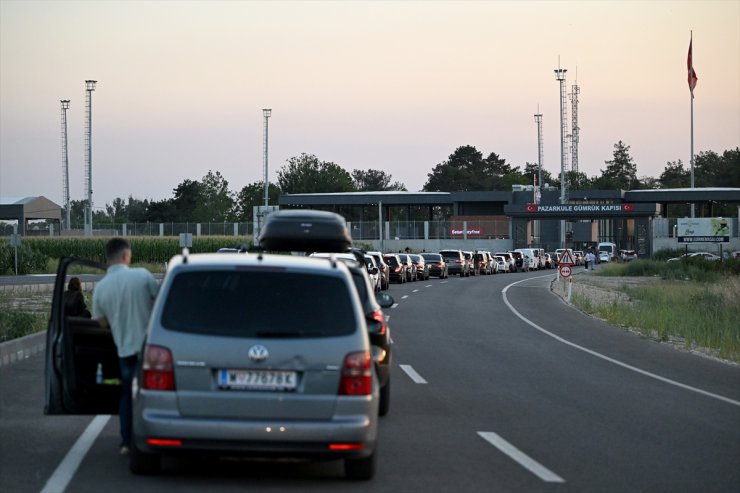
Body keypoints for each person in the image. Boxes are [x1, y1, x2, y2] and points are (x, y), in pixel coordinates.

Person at [92, 238, 159, 455]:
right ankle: (155, 435)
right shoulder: (142, 276)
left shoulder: (100, 289)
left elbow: (102, 323)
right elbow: (159, 302)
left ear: (108, 258)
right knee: (152, 394)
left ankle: (126, 442)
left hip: (124, 350)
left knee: (126, 395)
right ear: (126, 256)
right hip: (151, 350)